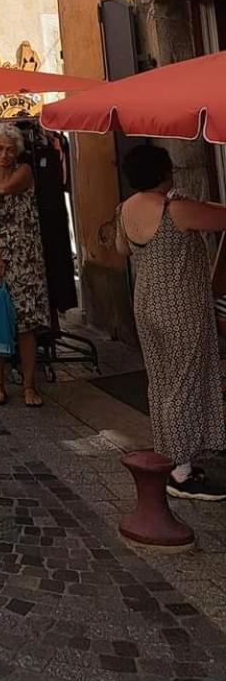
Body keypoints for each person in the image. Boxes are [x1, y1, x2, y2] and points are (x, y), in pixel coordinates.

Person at [115, 143, 226, 501]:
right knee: (184, 382)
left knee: (162, 381)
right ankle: (180, 471)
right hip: (179, 304)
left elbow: (121, 249)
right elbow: (221, 218)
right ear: (165, 172)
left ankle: (168, 454)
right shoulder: (174, 208)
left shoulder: (126, 208)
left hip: (146, 303)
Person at [0, 124, 51, 408]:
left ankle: (29, 385)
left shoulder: (24, 171)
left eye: (9, 149)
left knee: (26, 322)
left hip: (25, 253)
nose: (4, 154)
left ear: (17, 151)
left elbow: (6, 188)